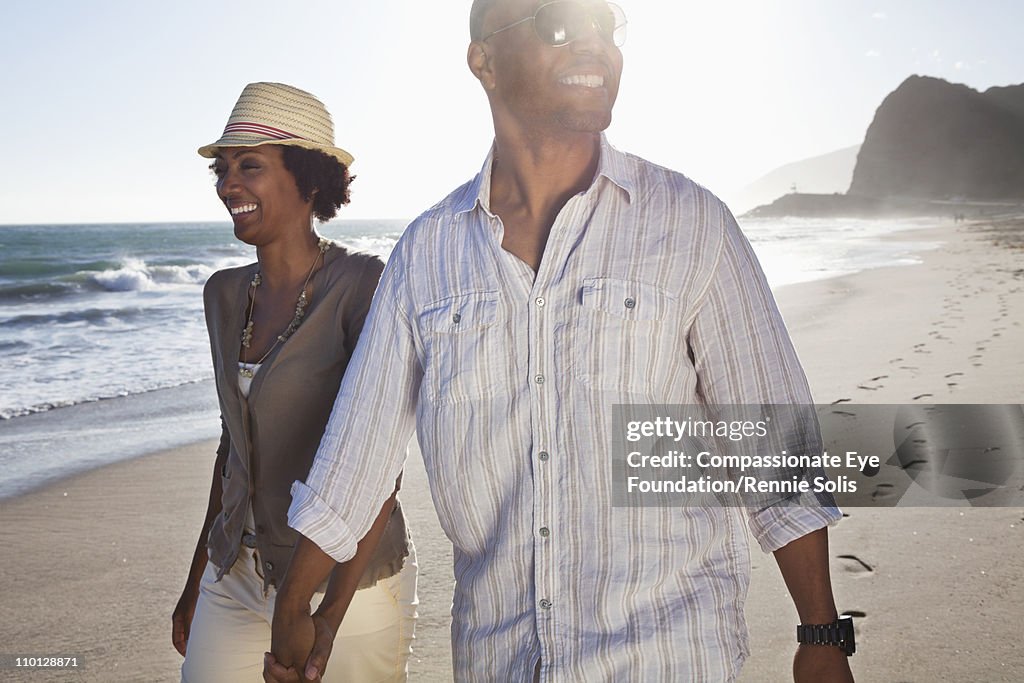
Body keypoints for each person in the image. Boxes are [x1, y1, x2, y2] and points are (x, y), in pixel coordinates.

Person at [270, 2, 855, 681]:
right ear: (483, 61)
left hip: (668, 655)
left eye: (607, 27)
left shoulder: (691, 225)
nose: (595, 46)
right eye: (558, 25)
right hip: (500, 661)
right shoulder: (426, 256)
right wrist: (294, 606)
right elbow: (356, 460)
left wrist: (822, 634)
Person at [172, 82, 417, 683]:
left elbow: (378, 462)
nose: (229, 185)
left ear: (309, 180)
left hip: (346, 584)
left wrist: (325, 615)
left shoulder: (364, 286)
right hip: (233, 574)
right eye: (223, 170)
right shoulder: (223, 294)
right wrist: (197, 576)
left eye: (250, 166)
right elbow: (234, 445)